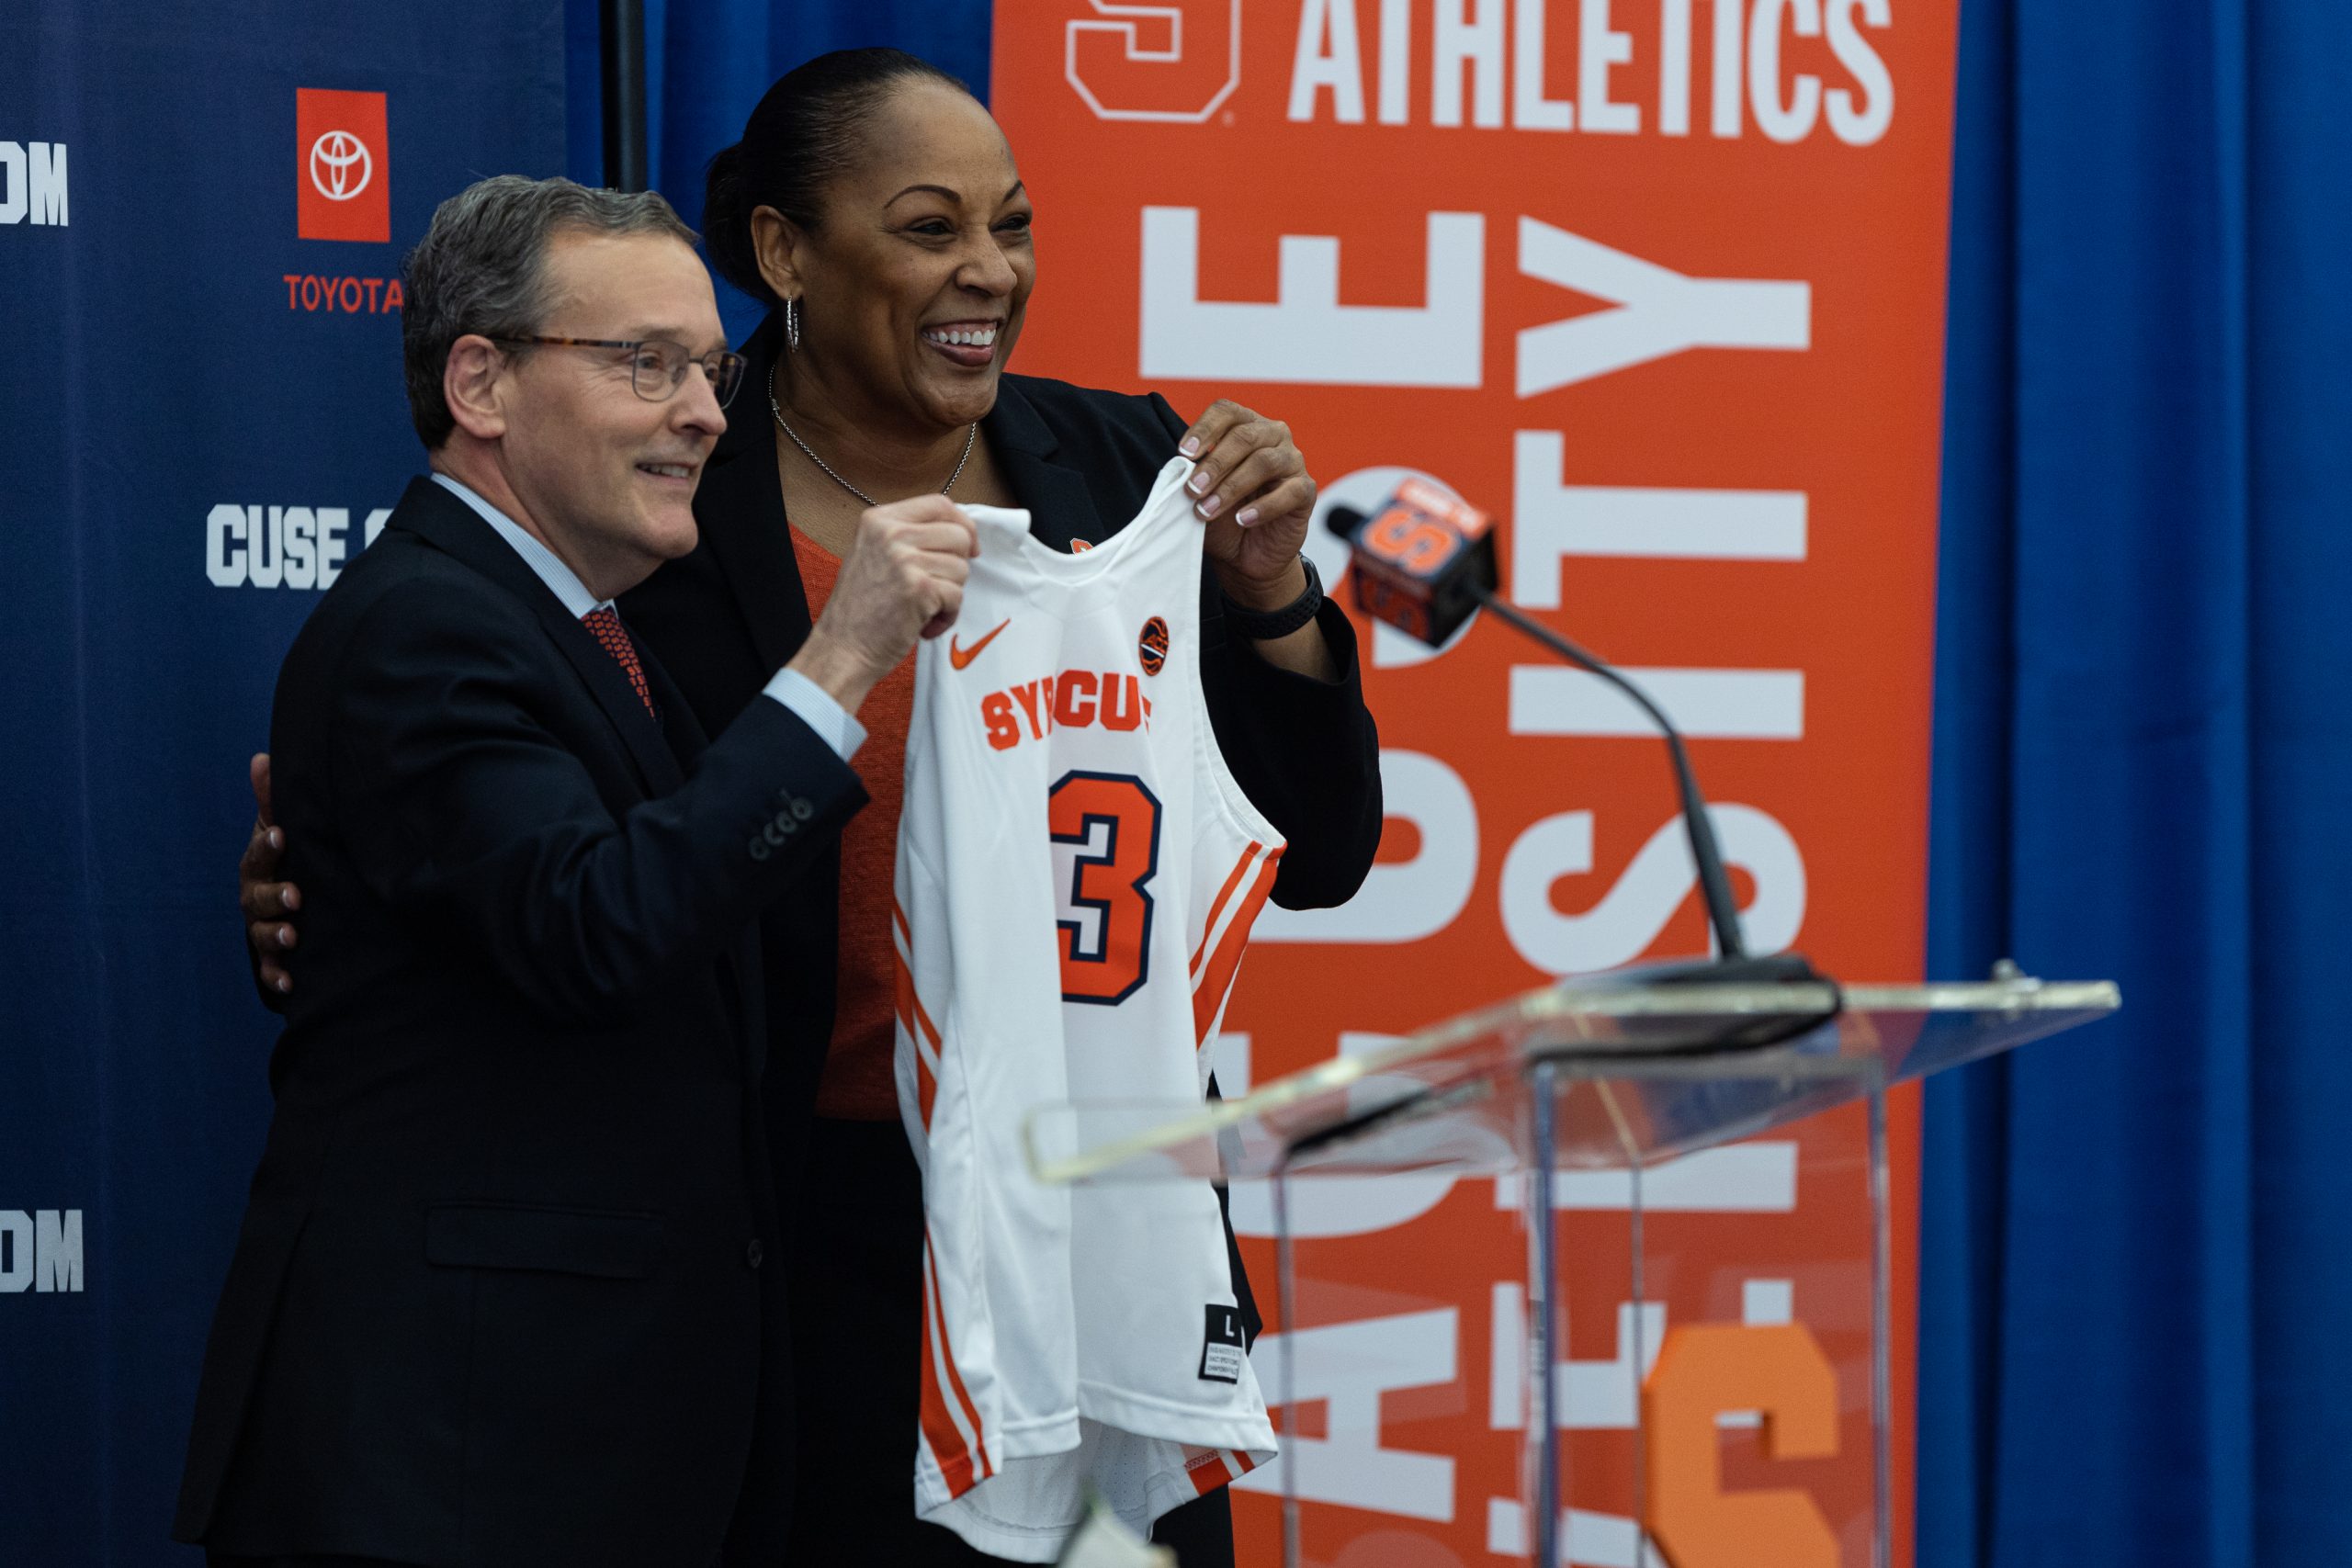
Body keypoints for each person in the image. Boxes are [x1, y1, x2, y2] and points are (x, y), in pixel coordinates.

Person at [239, 48, 1384, 1566]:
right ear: (784, 253)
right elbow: (553, 843)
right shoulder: (650, 503)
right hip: (797, 1236)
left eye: (1015, 225)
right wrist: (334, 868)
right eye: (928, 228)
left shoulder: (1124, 469)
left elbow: (1318, 852)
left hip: (1088, 1230)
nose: (988, 269)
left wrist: (1273, 598)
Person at [184, 175, 983, 1568]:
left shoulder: (585, 630)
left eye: (710, 368)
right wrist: (843, 651)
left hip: (582, 1452)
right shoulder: (426, 630)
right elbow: (598, 923)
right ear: (482, 383)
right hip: (458, 1466)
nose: (705, 412)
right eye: (646, 364)